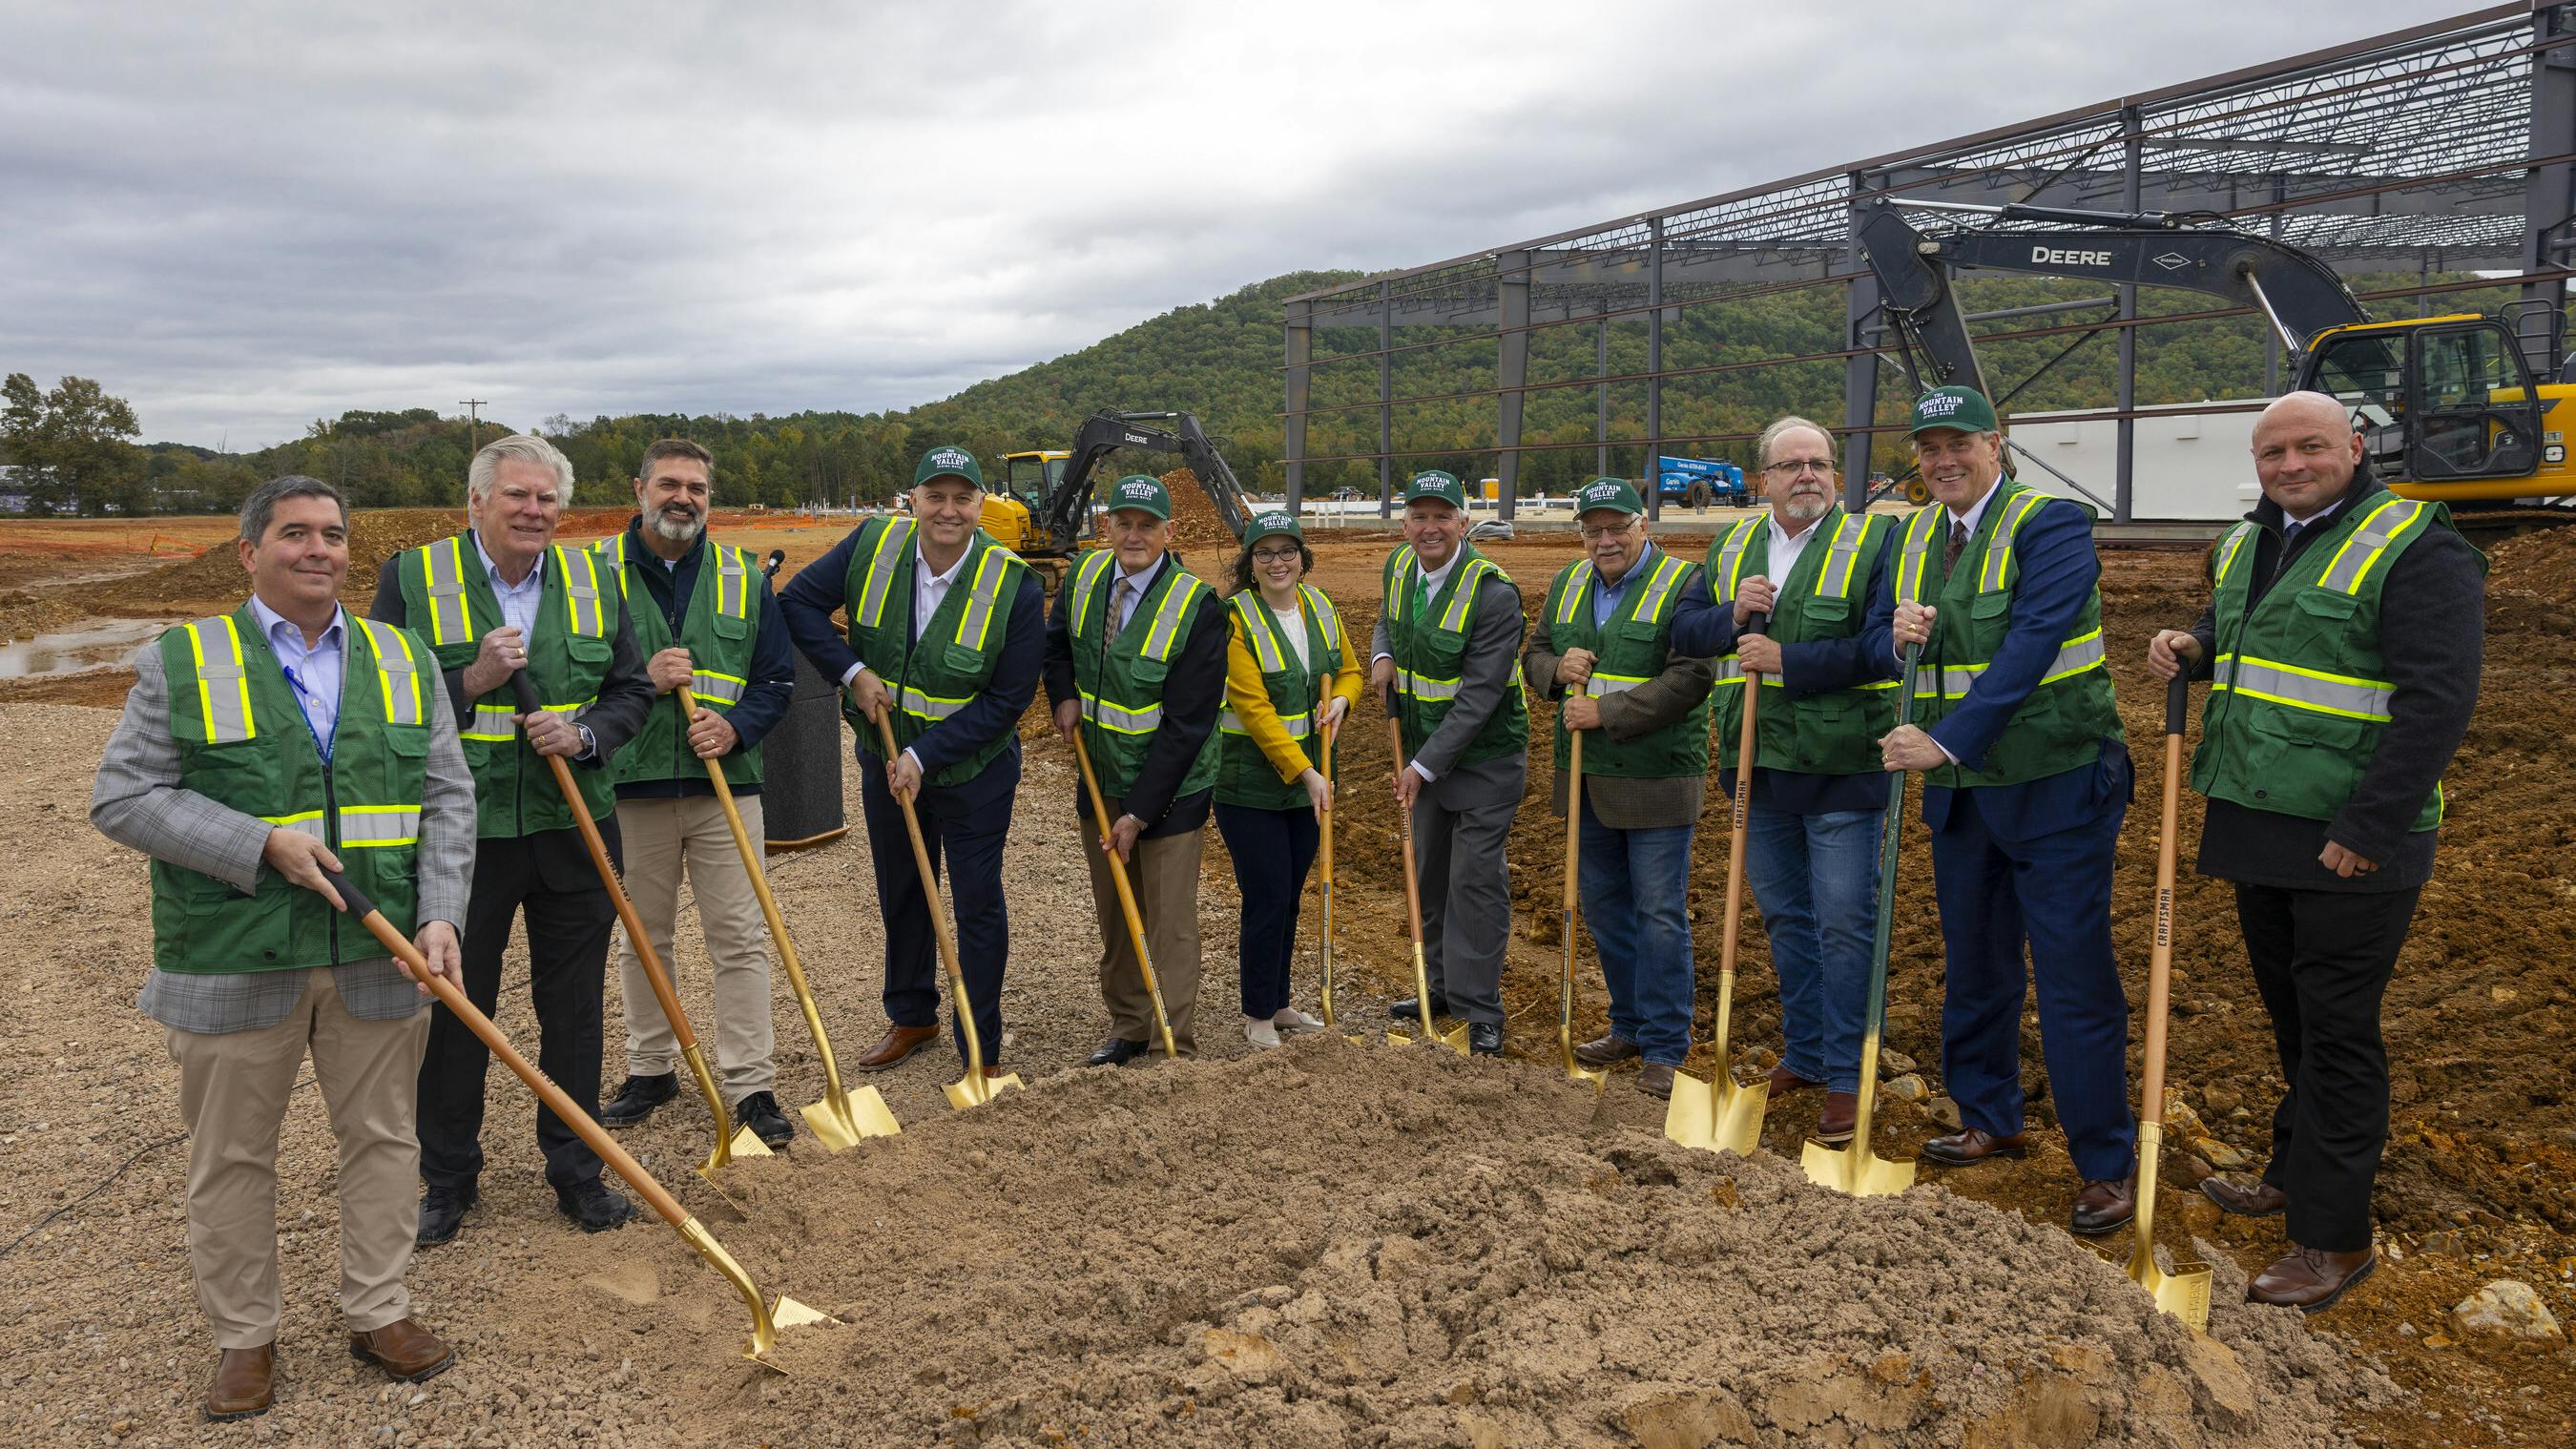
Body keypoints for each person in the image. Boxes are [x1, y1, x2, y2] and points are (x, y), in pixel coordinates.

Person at [93, 475, 475, 1420]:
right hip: (232, 953)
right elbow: (124, 797)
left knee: (385, 1140)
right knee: (230, 1158)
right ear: (249, 552)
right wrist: (259, 844)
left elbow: (445, 798)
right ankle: (244, 1337)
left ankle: (378, 1307)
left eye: (334, 535)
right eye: (295, 533)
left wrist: (441, 915)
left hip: (375, 949)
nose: (319, 550)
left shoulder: (401, 656)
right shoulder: (180, 660)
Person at [2147, 390, 2483, 1312]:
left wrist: (2370, 830)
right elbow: (2260, 640)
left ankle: (2333, 1237)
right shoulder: (2251, 540)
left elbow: (2439, 700)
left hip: (2352, 838)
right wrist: (2197, 644)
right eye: (2272, 453)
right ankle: (2291, 1172)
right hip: (2259, 818)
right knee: (2294, 1016)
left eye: (2309, 447)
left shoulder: (2416, 545)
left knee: (2338, 1033)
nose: (2290, 465)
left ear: (2355, 445)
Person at [1863, 386, 2137, 1237]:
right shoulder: (1909, 533)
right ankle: (1989, 1112)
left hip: (2055, 781)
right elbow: (1878, 635)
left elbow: (2031, 645)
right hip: (1964, 798)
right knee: (1975, 963)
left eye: (1960, 443)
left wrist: (1945, 743)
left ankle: (2105, 1163)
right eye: (1928, 447)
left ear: (1996, 444)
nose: (1943, 460)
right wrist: (1893, 633)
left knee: (2071, 975)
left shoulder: (2049, 524)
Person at [370, 433, 655, 1245]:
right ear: (476, 503)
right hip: (466, 833)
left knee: (573, 1008)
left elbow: (630, 690)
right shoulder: (415, 577)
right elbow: (380, 701)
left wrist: (589, 735)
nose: (534, 511)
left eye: (546, 499)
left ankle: (577, 1168)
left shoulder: (594, 575)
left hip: (575, 824)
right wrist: (470, 683)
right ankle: (449, 1177)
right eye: (517, 496)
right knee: (459, 1005)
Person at [779, 445, 1044, 1074]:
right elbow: (796, 603)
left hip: (974, 772)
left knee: (976, 902)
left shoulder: (1015, 585)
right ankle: (913, 1015)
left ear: (982, 505)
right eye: (935, 496)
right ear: (914, 499)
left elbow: (1009, 700)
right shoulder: (874, 544)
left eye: (962, 498)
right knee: (902, 890)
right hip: (885, 760)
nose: (947, 510)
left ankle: (978, 1040)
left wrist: (924, 753)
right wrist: (852, 671)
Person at [1667, 421, 1899, 1139]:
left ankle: (1846, 1073)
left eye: (1819, 463)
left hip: (1841, 765)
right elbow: (1683, 630)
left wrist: (1788, 660)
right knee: (1788, 919)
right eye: (1791, 464)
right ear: (1761, 477)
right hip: (1756, 765)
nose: (1807, 475)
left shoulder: (1873, 541)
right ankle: (1806, 1050)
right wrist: (1730, 616)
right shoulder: (1733, 544)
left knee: (1844, 921)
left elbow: (1887, 645)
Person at [587, 440, 799, 1145]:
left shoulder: (744, 576)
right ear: (639, 489)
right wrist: (645, 678)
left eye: (698, 488)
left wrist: (736, 728)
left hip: (724, 786)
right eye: (670, 484)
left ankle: (751, 1084)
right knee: (643, 937)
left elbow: (776, 682)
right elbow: (575, 681)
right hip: (630, 784)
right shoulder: (591, 577)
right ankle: (651, 1067)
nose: (684, 498)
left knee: (740, 937)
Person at [1521, 476, 1714, 1097]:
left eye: (1617, 528)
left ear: (1643, 527)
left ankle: (1664, 1043)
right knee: (1605, 907)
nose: (1605, 540)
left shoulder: (1684, 583)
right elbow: (1536, 654)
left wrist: (1609, 713)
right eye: (1593, 530)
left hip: (1657, 775)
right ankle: (1627, 1024)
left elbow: (1691, 675)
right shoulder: (1569, 581)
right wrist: (1557, 670)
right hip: (1586, 776)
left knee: (1659, 912)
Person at [1047, 473, 1229, 1064]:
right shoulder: (1084, 577)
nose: (1133, 535)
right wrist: (1062, 695)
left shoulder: (1197, 608)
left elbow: (1188, 725)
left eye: (1147, 525)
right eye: (1123, 523)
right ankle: (1129, 1026)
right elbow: (1056, 644)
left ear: (1168, 533)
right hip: (1099, 779)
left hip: (1171, 793)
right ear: (1107, 527)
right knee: (1117, 914)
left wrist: (1138, 813)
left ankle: (1172, 1042)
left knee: (1169, 922)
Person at [1371, 470, 1529, 1056]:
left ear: (1463, 523)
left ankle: (1480, 1007)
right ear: (1406, 523)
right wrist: (1382, 653)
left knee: (1475, 880)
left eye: (1442, 517)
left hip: (1486, 760)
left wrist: (1422, 768)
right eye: (1419, 516)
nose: (1429, 527)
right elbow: (1388, 618)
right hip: (1421, 753)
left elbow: (1479, 697)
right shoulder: (1398, 566)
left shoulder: (1494, 593)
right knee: (1428, 871)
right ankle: (1439, 989)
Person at [1214, 510, 1362, 1048]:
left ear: (1302, 558)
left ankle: (1278, 1004)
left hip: (1310, 782)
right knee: (1267, 895)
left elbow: (1348, 668)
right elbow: (1252, 708)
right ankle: (1256, 1014)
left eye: (1287, 552)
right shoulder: (1234, 618)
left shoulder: (1319, 605)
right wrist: (1306, 774)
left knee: (1291, 896)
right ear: (1249, 564)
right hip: (1250, 785)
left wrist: (1344, 698)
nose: (1278, 563)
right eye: (1265, 554)